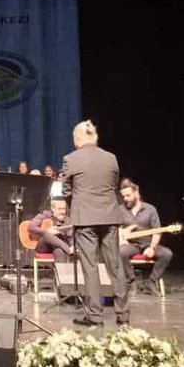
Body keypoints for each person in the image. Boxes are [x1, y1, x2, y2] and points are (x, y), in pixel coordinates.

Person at [61, 120, 129, 327]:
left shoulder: (70, 159)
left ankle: (95, 316)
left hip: (85, 220)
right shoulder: (111, 158)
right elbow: (114, 185)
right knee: (115, 266)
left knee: (90, 268)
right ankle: (123, 316)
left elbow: (66, 191)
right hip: (109, 217)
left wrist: (80, 207)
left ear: (78, 138)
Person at [118, 179, 172, 296]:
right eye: (123, 196)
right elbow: (114, 229)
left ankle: (151, 283)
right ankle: (132, 282)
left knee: (167, 254)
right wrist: (122, 236)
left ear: (136, 192)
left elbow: (157, 232)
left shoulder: (150, 209)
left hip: (148, 243)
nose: (125, 198)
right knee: (120, 252)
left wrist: (152, 248)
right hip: (131, 245)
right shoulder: (120, 210)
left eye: (128, 195)